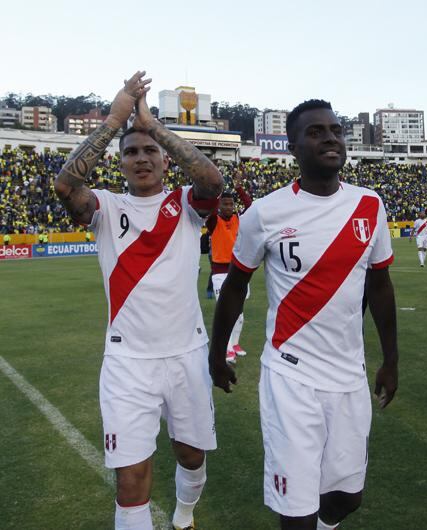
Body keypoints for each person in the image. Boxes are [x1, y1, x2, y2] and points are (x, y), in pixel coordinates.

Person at [209, 99, 398, 530]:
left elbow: (381, 285)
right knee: (297, 512)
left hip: (349, 373)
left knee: (347, 497)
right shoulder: (266, 212)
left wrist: (391, 359)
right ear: (292, 147)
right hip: (290, 375)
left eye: (334, 129)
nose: (329, 137)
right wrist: (216, 354)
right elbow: (236, 287)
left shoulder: (369, 205)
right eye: (315, 132)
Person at [53, 71, 223, 530]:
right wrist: (115, 119)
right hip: (128, 364)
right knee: (131, 477)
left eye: (150, 151)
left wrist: (152, 125)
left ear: (165, 160)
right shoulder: (106, 208)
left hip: (186, 354)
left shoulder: (186, 204)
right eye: (132, 152)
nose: (142, 158)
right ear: (121, 163)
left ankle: (184, 517)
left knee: (191, 455)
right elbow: (65, 187)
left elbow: (213, 179)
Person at [206, 170, 253, 364]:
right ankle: (226, 350)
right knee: (225, 312)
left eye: (231, 204)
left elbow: (250, 206)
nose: (228, 207)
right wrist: (215, 193)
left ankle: (234, 344)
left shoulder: (238, 219)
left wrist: (239, 188)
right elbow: (208, 209)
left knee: (239, 314)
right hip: (219, 272)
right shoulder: (213, 221)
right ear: (219, 205)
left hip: (237, 271)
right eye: (224, 204)